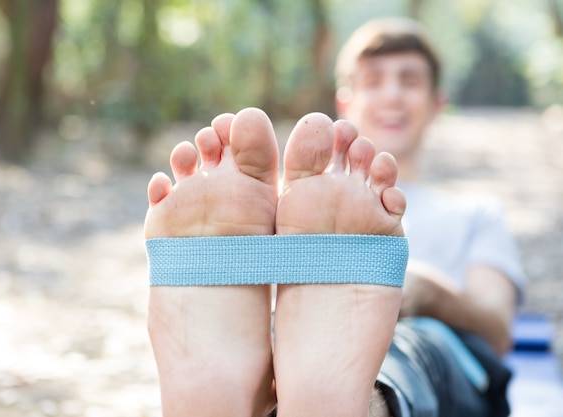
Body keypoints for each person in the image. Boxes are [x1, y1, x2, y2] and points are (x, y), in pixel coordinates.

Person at [144, 17, 526, 417]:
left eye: (409, 82)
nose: (392, 95)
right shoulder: (276, 211)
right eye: (374, 81)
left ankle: (299, 396)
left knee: (399, 350)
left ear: (437, 105)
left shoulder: (475, 214)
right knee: (289, 356)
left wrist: (425, 293)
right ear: (345, 99)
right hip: (291, 342)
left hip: (439, 356)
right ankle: (286, 392)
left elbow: (497, 334)